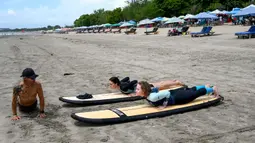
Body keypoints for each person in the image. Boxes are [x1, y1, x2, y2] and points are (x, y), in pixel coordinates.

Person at [135, 81, 219, 108]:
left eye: (138, 89)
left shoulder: (152, 97)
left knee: (195, 94)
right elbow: (156, 89)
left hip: (178, 98)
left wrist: (164, 105)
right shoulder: (149, 93)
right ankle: (205, 86)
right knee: (190, 90)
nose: (136, 90)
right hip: (175, 94)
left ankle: (212, 89)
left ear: (144, 90)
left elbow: (167, 93)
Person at [109, 77, 185, 95]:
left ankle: (176, 83)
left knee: (161, 85)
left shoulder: (123, 87)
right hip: (141, 86)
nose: (110, 85)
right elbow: (127, 78)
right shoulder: (121, 84)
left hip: (143, 87)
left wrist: (130, 90)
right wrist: (121, 81)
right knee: (161, 84)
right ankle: (174, 82)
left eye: (111, 84)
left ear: (116, 84)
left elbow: (134, 81)